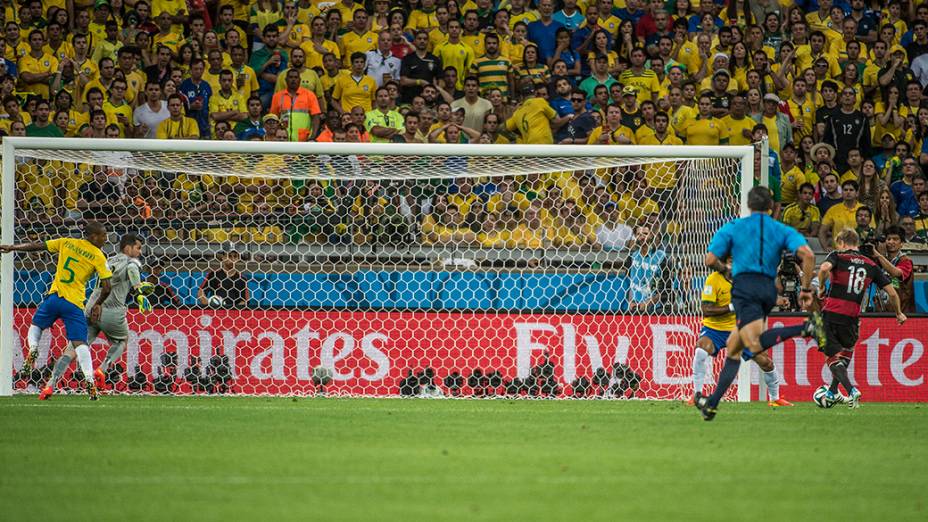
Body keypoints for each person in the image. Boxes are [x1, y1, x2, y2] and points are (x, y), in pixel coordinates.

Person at [696, 187, 822, 421]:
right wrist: (805, 289)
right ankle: (711, 405)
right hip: (768, 288)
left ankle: (805, 328)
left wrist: (725, 269)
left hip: (745, 288)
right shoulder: (781, 228)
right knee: (734, 348)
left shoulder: (734, 227)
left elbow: (710, 259)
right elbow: (809, 256)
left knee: (751, 344)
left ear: (749, 205)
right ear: (772, 206)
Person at [0, 222, 112, 400]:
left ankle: (34, 348)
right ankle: (89, 381)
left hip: (54, 298)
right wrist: (98, 304)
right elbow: (107, 287)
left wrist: (12, 247)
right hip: (74, 303)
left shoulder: (65, 242)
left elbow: (37, 246)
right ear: (92, 236)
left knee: (35, 326)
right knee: (80, 343)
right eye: (103, 235)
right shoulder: (99, 256)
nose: (106, 239)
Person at [39, 233, 155, 399]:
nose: (140, 251)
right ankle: (102, 368)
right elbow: (131, 269)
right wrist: (138, 289)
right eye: (138, 247)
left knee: (72, 349)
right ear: (128, 247)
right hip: (112, 311)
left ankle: (50, 386)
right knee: (122, 341)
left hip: (91, 308)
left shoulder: (107, 260)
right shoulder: (132, 261)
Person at [816, 229, 907, 407]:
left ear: (841, 241)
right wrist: (898, 313)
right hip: (852, 317)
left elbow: (824, 268)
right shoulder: (870, 265)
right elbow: (892, 293)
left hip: (831, 313)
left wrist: (820, 287)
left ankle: (851, 390)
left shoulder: (837, 256)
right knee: (846, 351)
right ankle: (833, 391)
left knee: (832, 357)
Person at [690, 256, 794, 407]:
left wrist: (776, 300)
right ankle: (696, 395)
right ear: (723, 264)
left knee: (765, 362)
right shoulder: (713, 280)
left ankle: (775, 398)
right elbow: (706, 310)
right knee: (700, 351)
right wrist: (733, 307)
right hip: (715, 329)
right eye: (730, 261)